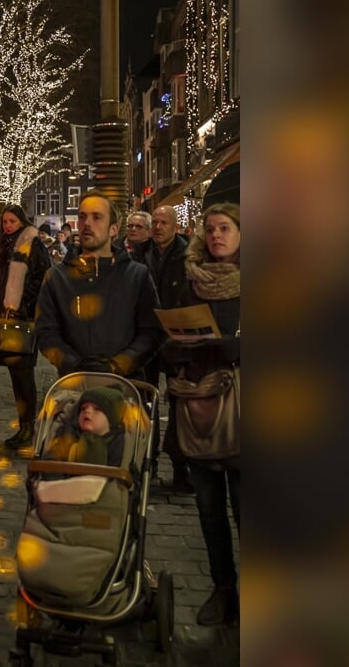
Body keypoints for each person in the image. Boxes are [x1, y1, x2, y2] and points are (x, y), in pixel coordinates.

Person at [170, 202, 241, 626]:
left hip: (243, 406)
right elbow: (172, 334)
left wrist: (235, 348)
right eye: (211, 229)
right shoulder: (190, 281)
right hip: (197, 404)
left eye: (226, 228)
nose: (217, 235)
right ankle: (223, 589)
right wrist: (175, 348)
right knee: (209, 509)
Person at [34, 192, 163, 378]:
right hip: (74, 386)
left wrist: (118, 365)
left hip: (124, 387)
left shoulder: (136, 275)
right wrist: (73, 364)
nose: (87, 223)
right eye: (82, 216)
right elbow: (46, 332)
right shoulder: (57, 277)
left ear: (113, 229)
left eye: (97, 217)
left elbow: (151, 332)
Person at [0, 204, 52, 449]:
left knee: (24, 373)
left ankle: (29, 426)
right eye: (4, 222)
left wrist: (24, 303)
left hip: (22, 317)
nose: (7, 226)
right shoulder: (1, 245)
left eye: (12, 221)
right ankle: (24, 425)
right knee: (15, 373)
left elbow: (42, 276)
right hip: (5, 316)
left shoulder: (32, 243)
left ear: (22, 222)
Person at [144, 205, 193, 491]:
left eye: (164, 222)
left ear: (175, 226)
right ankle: (148, 463)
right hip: (149, 335)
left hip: (177, 336)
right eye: (156, 222)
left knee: (178, 404)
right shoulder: (142, 253)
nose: (158, 227)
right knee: (146, 401)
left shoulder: (187, 256)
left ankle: (180, 466)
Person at [47, 386, 128, 467]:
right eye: (83, 408)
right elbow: (50, 461)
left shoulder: (118, 441)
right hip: (62, 479)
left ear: (111, 420)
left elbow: (116, 473)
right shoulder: (67, 433)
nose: (87, 411)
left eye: (97, 409)